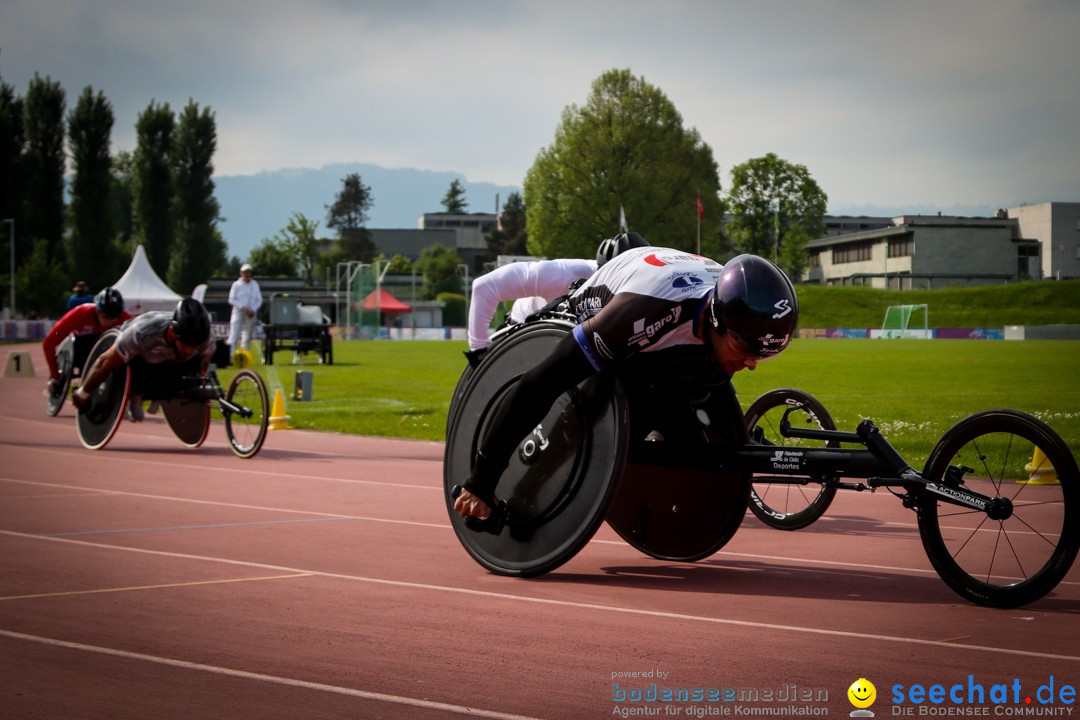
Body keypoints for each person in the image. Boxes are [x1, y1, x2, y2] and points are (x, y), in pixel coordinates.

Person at [452, 249, 799, 521]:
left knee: (699, 381)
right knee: (585, 385)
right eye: (744, 350)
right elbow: (538, 385)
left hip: (671, 311)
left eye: (762, 356)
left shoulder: (731, 306)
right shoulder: (641, 313)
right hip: (602, 314)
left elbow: (726, 354)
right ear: (716, 320)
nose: (752, 364)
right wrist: (481, 481)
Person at [467, 232, 651, 351]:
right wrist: (478, 350)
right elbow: (484, 286)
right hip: (522, 331)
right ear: (602, 271)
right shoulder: (562, 274)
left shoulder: (649, 290)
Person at [72, 299, 216, 420]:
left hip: (170, 363)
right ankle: (137, 391)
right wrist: (83, 392)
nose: (190, 350)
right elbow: (104, 361)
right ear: (172, 332)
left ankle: (164, 391)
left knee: (192, 362)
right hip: (141, 359)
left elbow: (203, 365)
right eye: (185, 344)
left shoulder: (206, 340)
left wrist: (198, 381)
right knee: (128, 360)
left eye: (194, 345)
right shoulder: (142, 333)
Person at [43, 287, 131, 395]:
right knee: (88, 339)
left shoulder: (124, 318)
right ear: (97, 311)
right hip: (81, 347)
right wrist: (55, 376)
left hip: (106, 350)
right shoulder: (80, 314)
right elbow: (49, 342)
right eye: (106, 317)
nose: (109, 321)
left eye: (113, 318)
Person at [228, 263, 262, 353]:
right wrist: (242, 308)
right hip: (238, 311)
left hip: (251, 313)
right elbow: (231, 299)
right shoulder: (236, 285)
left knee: (247, 336)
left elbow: (259, 300)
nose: (247, 274)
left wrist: (253, 310)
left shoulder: (255, 285)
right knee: (234, 334)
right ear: (241, 273)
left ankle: (245, 356)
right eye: (245, 272)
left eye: (248, 272)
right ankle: (231, 355)